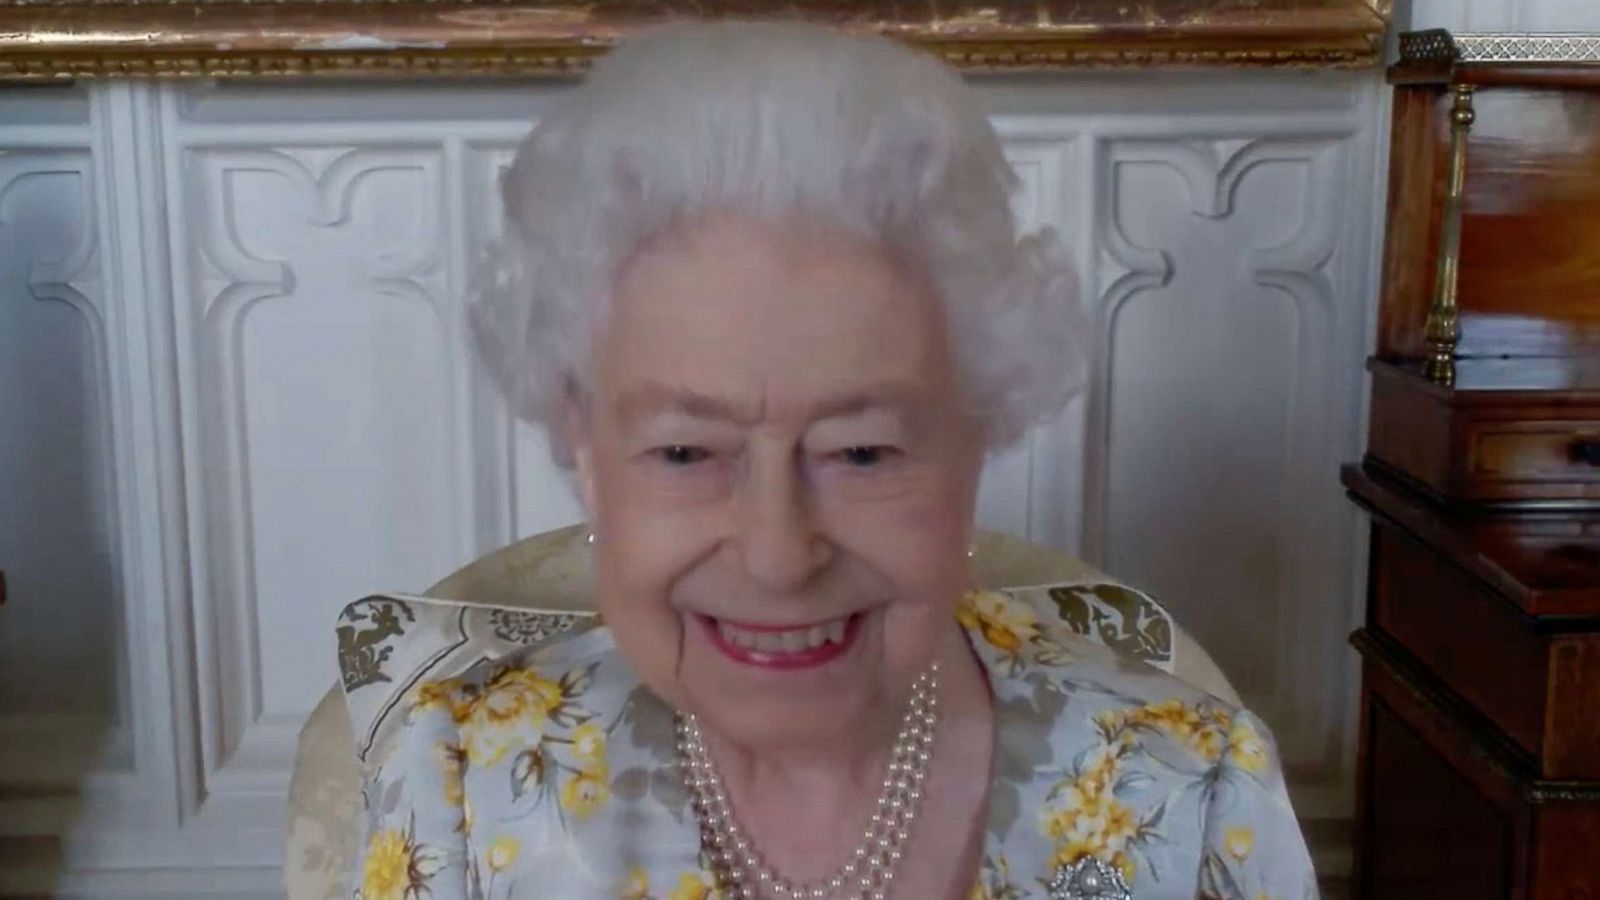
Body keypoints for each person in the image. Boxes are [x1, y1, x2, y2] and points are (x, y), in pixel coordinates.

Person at [348, 20, 1317, 900]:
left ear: (976, 439)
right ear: (584, 452)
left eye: (861, 452)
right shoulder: (459, 785)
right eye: (685, 451)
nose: (777, 554)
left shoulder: (1186, 793)